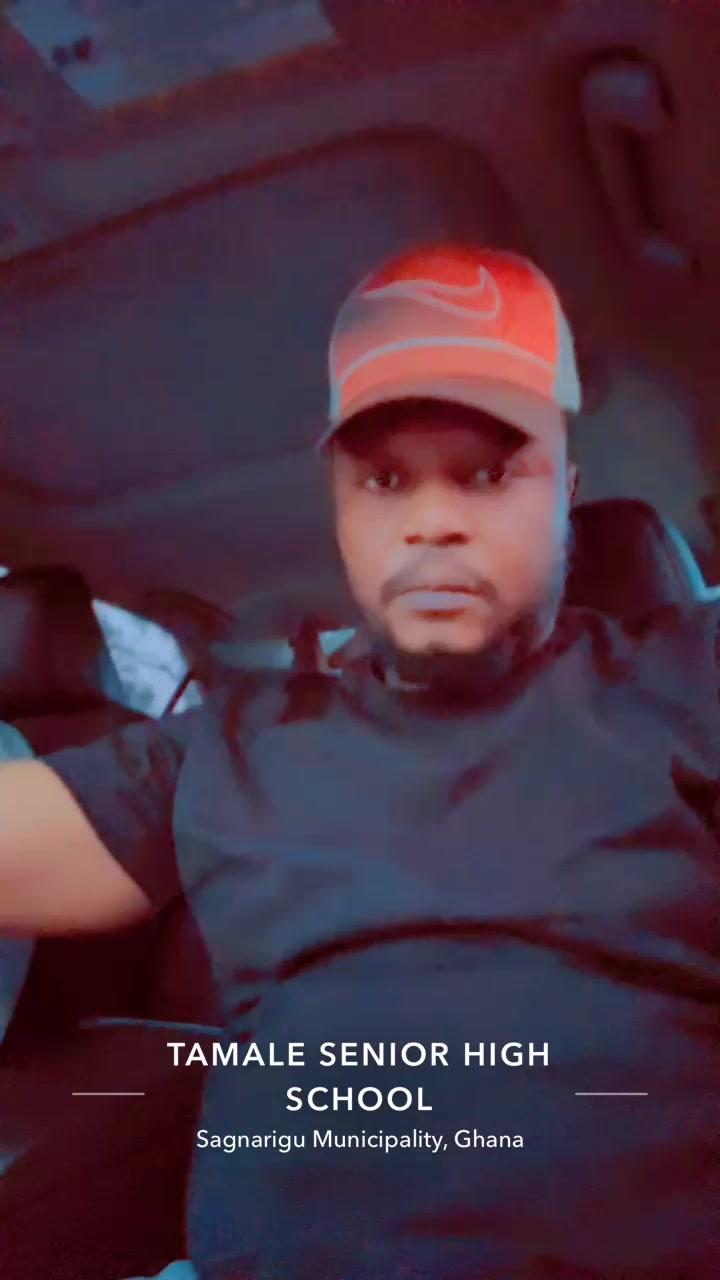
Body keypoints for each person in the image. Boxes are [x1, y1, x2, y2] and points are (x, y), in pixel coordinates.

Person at [1, 244, 718, 1279]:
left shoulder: (686, 682)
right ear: (340, 508)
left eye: (487, 471)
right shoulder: (231, 744)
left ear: (566, 489)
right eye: (384, 479)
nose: (431, 520)